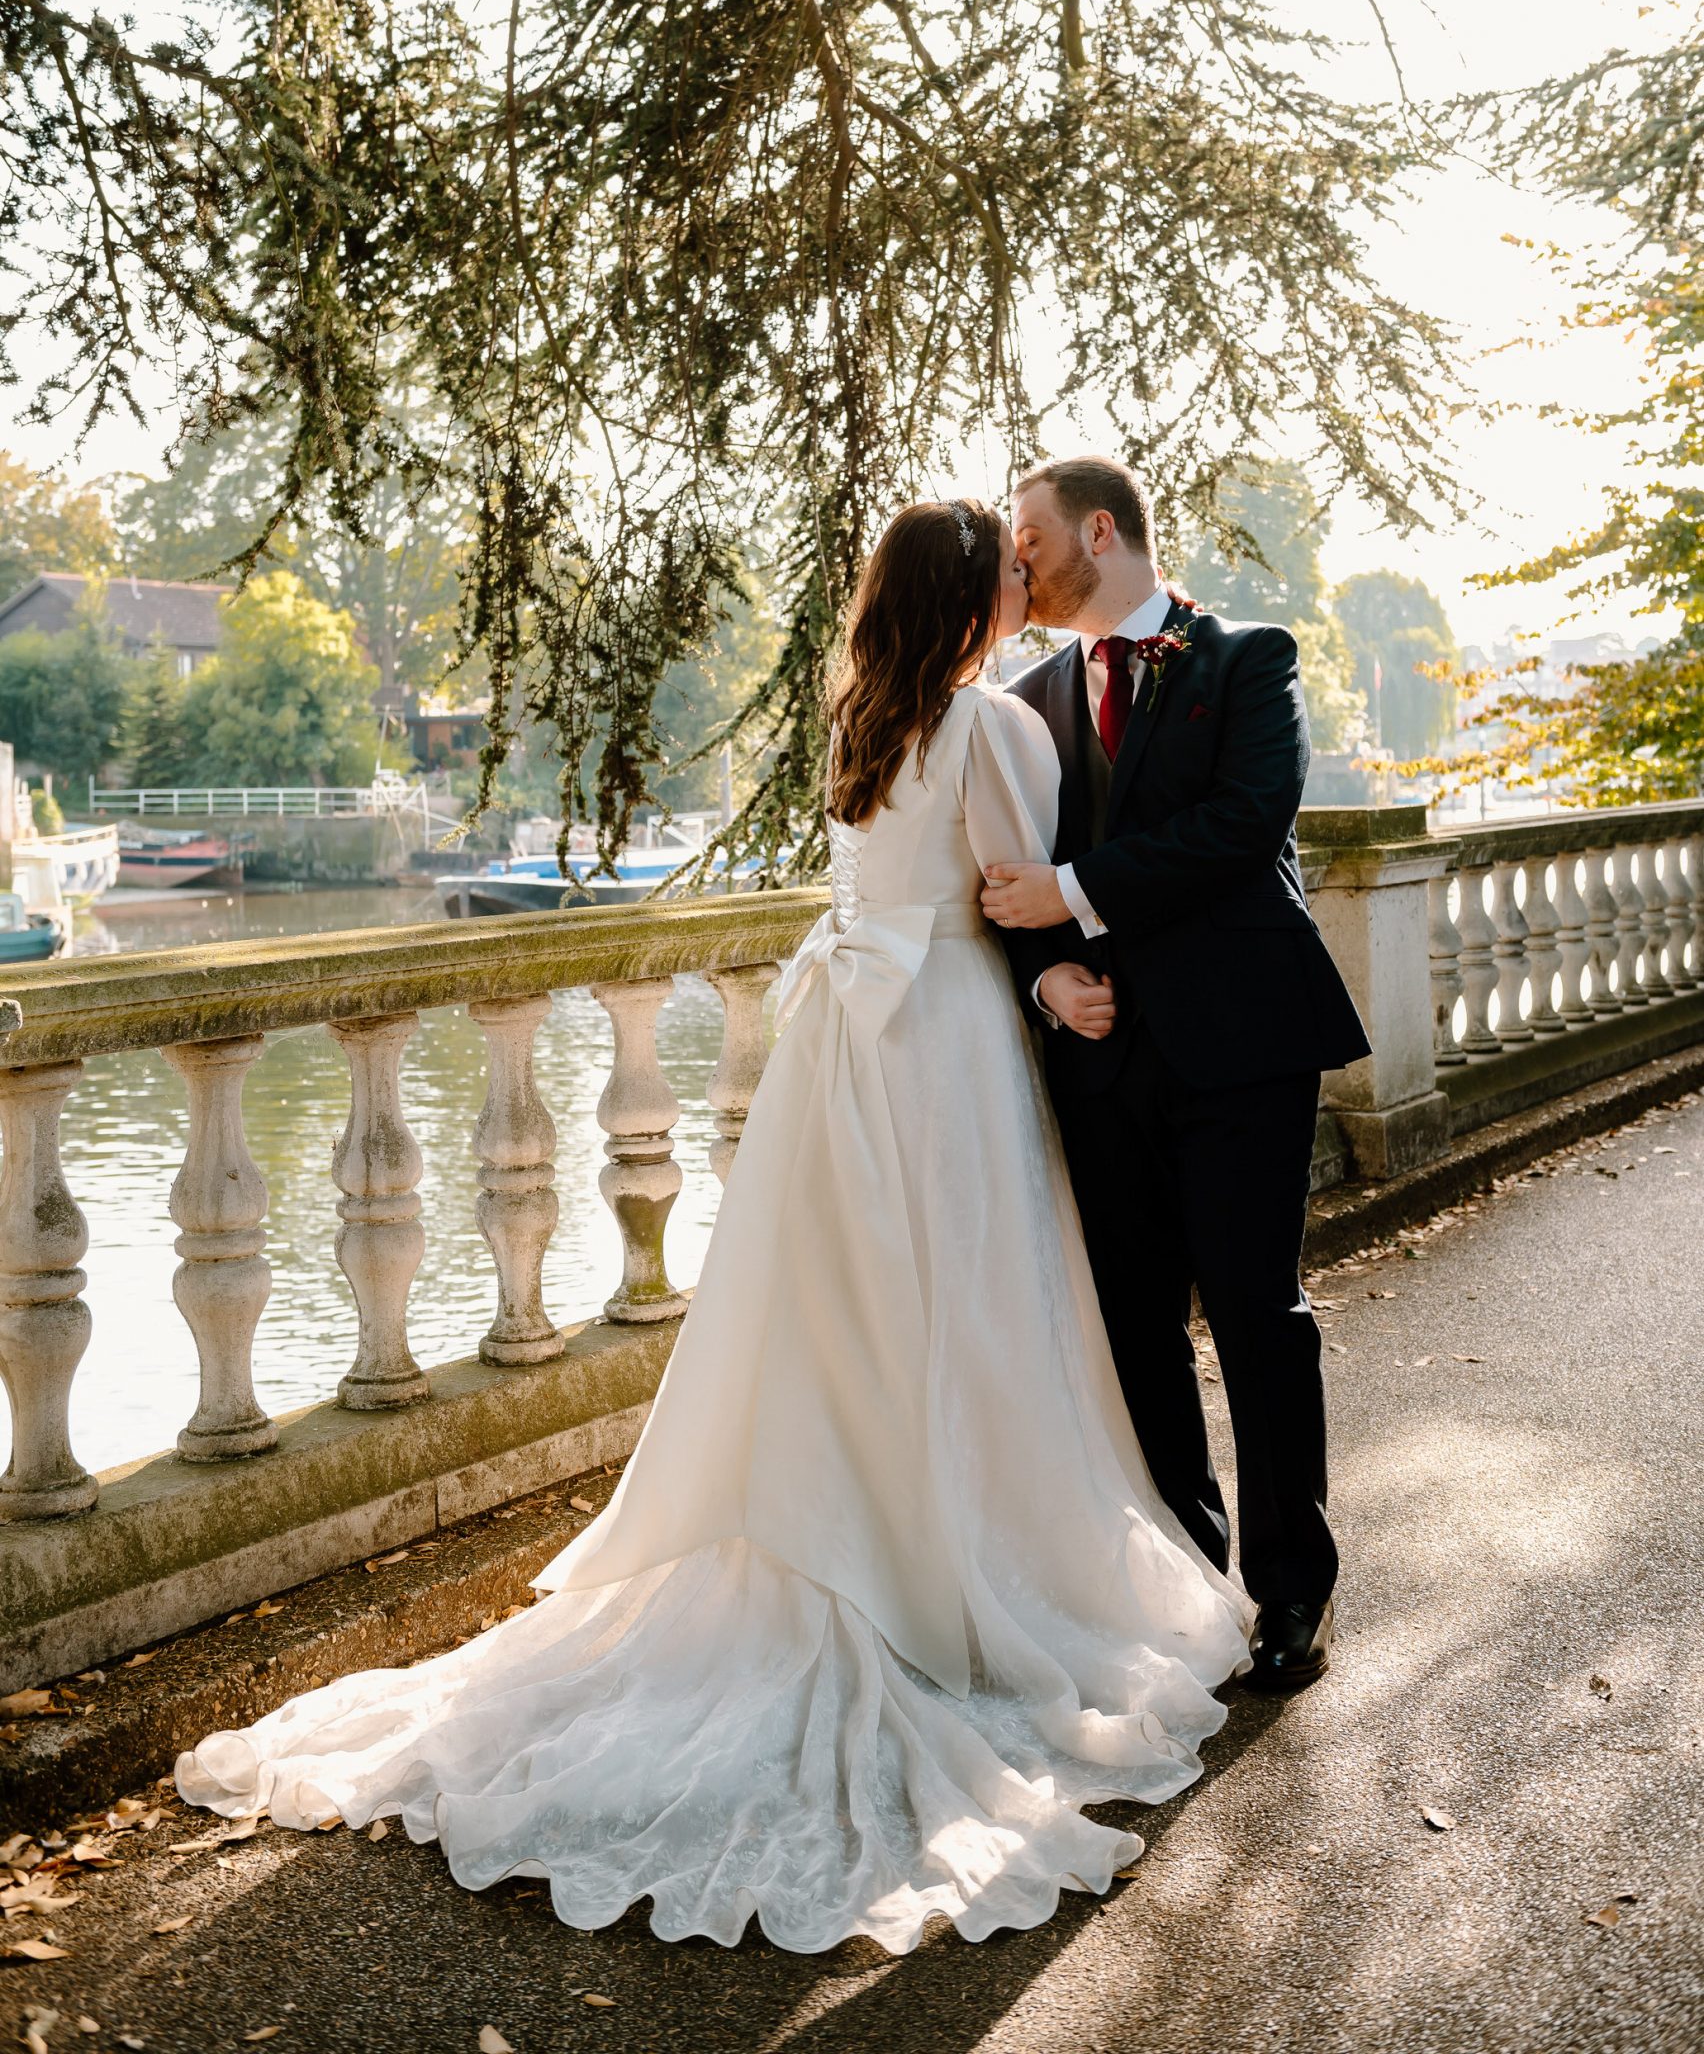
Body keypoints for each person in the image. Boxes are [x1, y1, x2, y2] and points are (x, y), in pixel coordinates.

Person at [178, 498, 1251, 1955]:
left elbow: (899, 886)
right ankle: (942, 1569)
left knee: (835, 1317)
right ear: (963, 597)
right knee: (964, 1310)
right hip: (935, 1046)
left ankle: (851, 1533)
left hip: (839, 1052)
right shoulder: (999, 729)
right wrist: (1060, 981)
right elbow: (1012, 899)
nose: (1026, 579)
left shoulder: (863, 717)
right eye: (1004, 568)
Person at [979, 456, 1371, 1694]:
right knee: (1137, 1329)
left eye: (1031, 540)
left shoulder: (1250, 657)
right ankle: (1188, 1572)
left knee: (1259, 1316)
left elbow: (1246, 823)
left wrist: (1077, 893)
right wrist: (1044, 969)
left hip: (1243, 1042)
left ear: (1102, 531)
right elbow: (998, 867)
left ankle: (1289, 1593)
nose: (1019, 564)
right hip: (1100, 1057)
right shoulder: (1026, 696)